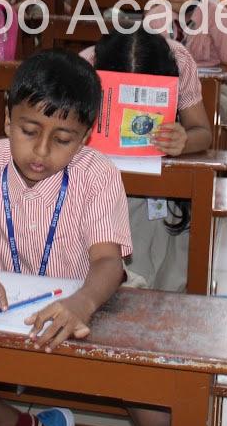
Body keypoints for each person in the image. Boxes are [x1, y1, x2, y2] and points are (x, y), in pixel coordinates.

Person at [0, 50, 165, 426]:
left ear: (83, 139)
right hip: (9, 306)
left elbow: (109, 264)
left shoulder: (98, 175)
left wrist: (82, 303)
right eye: (29, 132)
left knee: (160, 414)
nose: (42, 152)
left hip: (89, 302)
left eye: (62, 139)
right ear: (8, 120)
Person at [87, 29, 212, 293]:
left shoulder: (178, 60)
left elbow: (203, 132)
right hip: (99, 182)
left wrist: (183, 141)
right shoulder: (86, 65)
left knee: (155, 228)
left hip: (157, 180)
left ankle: (149, 292)